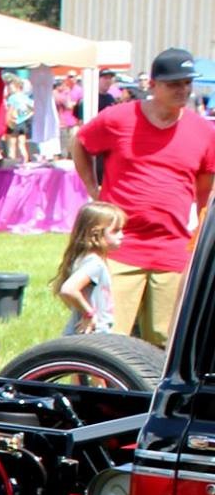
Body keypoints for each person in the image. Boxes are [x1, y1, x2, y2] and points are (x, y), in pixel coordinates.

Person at [71, 48, 215, 348]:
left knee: (166, 341)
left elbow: (205, 191)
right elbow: (80, 143)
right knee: (106, 335)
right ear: (152, 85)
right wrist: (92, 189)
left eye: (187, 83)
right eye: (174, 83)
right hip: (118, 247)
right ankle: (94, 394)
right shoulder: (118, 118)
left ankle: (152, 395)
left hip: (172, 250)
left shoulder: (203, 130)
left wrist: (199, 241)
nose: (183, 90)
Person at [56, 201, 128, 335]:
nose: (122, 235)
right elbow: (68, 289)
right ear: (96, 234)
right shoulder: (94, 264)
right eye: (116, 231)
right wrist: (88, 314)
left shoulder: (85, 258)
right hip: (92, 334)